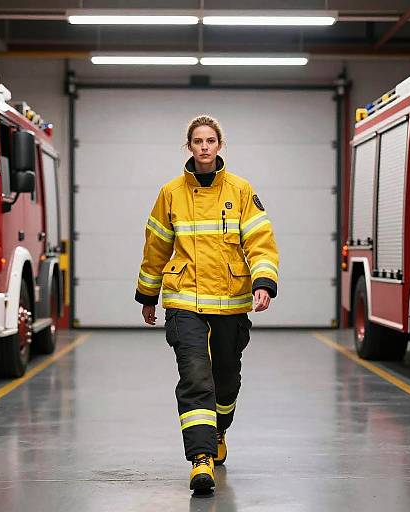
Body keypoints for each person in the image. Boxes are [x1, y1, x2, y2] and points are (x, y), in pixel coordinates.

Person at [135, 115, 279, 493]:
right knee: (196, 378)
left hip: (231, 302)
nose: (204, 146)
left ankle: (219, 431)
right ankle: (201, 459)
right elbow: (156, 247)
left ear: (219, 145)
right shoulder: (170, 193)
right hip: (184, 302)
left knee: (226, 378)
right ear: (189, 146)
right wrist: (148, 294)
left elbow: (260, 241)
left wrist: (264, 281)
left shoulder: (242, 190)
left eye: (210, 140)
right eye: (197, 140)